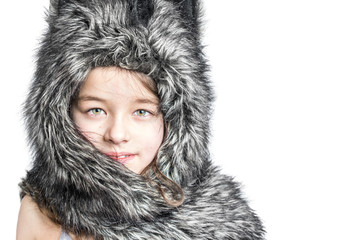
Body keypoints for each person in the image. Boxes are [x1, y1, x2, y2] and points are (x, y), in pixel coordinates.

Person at [17, 0, 265, 239]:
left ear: (176, 120)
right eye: (95, 110)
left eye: (142, 112)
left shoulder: (218, 223)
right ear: (60, 113)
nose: (116, 134)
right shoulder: (42, 209)